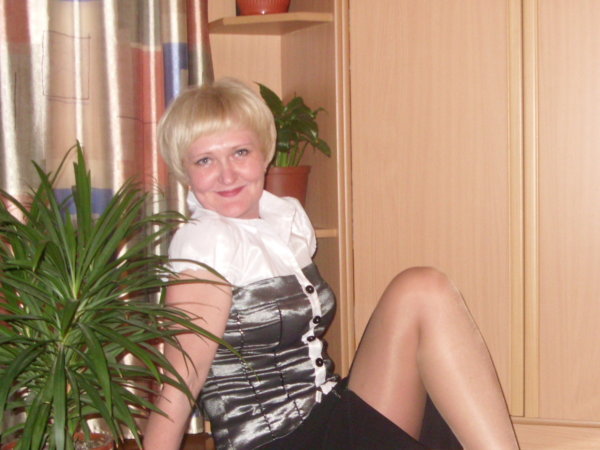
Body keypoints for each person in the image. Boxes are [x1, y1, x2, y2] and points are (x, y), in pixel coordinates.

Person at [143, 77, 519, 449]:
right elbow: (181, 385)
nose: (227, 174)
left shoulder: (283, 219)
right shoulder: (204, 244)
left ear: (264, 152)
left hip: (324, 412)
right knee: (420, 289)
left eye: (240, 152)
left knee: (425, 289)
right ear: (185, 171)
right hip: (276, 441)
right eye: (205, 160)